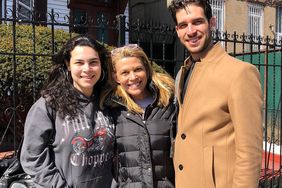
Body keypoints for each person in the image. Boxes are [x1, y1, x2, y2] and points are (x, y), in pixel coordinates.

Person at [168, 1, 263, 188]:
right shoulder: (183, 72)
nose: (191, 31)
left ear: (211, 23)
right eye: (183, 25)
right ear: (177, 31)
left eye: (197, 22)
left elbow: (249, 151)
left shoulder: (240, 73)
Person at [20, 35, 116, 187]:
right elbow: (32, 158)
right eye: (79, 62)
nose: (87, 69)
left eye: (93, 62)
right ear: (68, 64)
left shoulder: (109, 102)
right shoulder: (49, 105)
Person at [101, 44, 176, 187]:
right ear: (115, 76)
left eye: (138, 69)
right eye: (125, 73)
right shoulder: (112, 109)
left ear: (147, 70)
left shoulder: (168, 104)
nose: (133, 77)